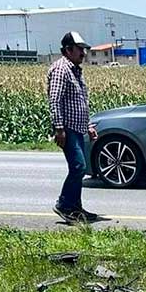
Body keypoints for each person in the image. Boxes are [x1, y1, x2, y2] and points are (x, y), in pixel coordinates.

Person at [47, 31, 99, 223]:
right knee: (78, 167)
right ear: (68, 50)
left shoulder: (75, 70)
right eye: (80, 49)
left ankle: (75, 209)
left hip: (77, 128)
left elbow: (79, 102)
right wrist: (59, 129)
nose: (83, 53)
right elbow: (55, 100)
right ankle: (64, 204)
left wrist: (88, 126)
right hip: (67, 129)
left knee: (79, 168)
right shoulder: (61, 69)